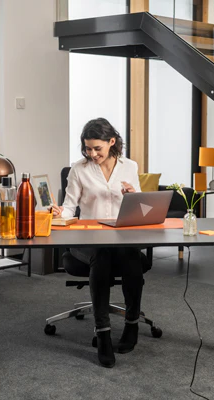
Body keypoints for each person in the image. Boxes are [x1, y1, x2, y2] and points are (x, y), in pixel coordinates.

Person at [50, 118, 145, 368]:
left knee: (133, 262)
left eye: (97, 149)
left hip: (121, 237)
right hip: (88, 240)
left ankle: (131, 325)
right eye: (87, 149)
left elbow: (141, 209)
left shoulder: (130, 167)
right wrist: (61, 214)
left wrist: (133, 197)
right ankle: (102, 333)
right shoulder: (78, 169)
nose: (92, 154)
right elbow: (70, 207)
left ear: (111, 142)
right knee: (101, 258)